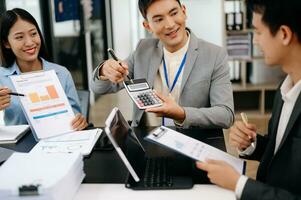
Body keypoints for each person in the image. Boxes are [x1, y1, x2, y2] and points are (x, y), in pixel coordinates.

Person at [196, 0, 301, 199]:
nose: (254, 41)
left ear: (284, 34)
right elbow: (282, 155)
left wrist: (239, 184)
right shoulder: (285, 88)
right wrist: (252, 144)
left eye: (259, 32)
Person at [90, 0, 234, 128]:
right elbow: (98, 88)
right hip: (148, 137)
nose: (170, 24)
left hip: (192, 140)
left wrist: (182, 114)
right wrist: (104, 71)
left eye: (174, 13)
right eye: (158, 19)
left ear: (184, 12)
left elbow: (226, 115)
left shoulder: (215, 55)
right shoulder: (143, 49)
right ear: (147, 26)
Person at [0, 8, 88, 131]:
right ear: (6, 43)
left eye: (33, 34)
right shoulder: (1, 77)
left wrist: (79, 122)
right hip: (20, 148)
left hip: (59, 143)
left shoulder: (62, 73)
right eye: (19, 37)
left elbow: (76, 118)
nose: (30, 42)